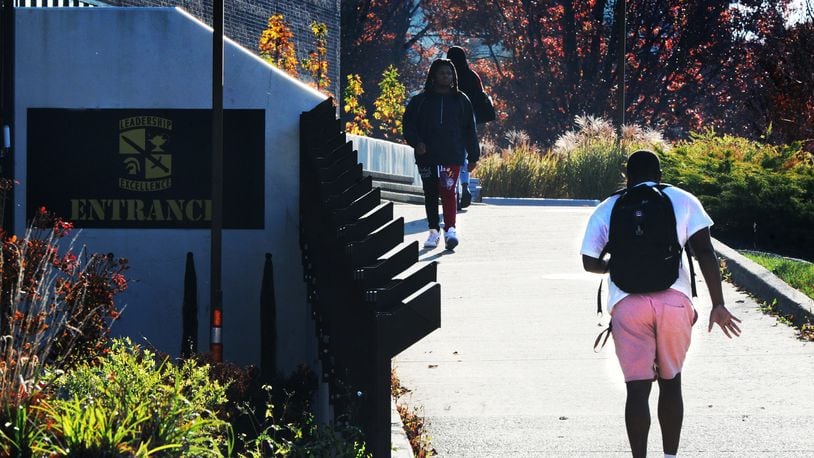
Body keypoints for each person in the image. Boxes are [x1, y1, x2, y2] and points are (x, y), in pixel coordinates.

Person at [580, 150, 742, 458]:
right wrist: (718, 304)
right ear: (660, 176)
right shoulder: (682, 199)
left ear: (627, 177)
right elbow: (705, 253)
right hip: (675, 303)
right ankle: (669, 457)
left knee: (637, 390)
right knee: (671, 382)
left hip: (628, 305)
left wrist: (613, 266)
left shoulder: (609, 207)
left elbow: (589, 261)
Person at [403, 58, 480, 250]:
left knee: (448, 190)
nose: (446, 76)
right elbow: (408, 125)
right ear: (433, 76)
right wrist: (417, 143)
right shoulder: (420, 100)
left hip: (451, 154)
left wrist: (473, 156)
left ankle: (451, 230)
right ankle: (433, 231)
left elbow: (470, 129)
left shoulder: (461, 100)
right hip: (427, 155)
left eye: (449, 73)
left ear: (453, 76)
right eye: (442, 73)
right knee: (430, 192)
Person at [447, 46, 487, 209]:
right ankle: (465, 185)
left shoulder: (447, 75)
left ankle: (455, 190)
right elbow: (480, 96)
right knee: (464, 153)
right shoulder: (472, 76)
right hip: (469, 118)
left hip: (450, 119)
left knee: (451, 154)